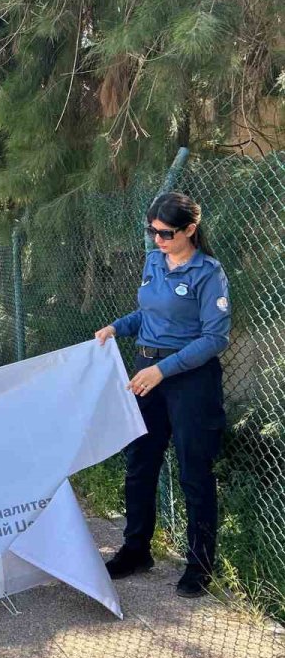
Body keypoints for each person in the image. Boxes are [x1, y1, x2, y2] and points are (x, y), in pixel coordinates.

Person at [95, 192, 231, 597]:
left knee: (194, 471)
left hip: (189, 379)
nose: (157, 239)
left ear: (190, 230)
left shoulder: (209, 273)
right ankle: (136, 550)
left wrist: (162, 370)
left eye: (166, 232)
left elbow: (215, 338)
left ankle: (199, 565)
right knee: (139, 464)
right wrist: (117, 328)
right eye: (151, 230)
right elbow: (148, 315)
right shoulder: (155, 261)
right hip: (147, 373)